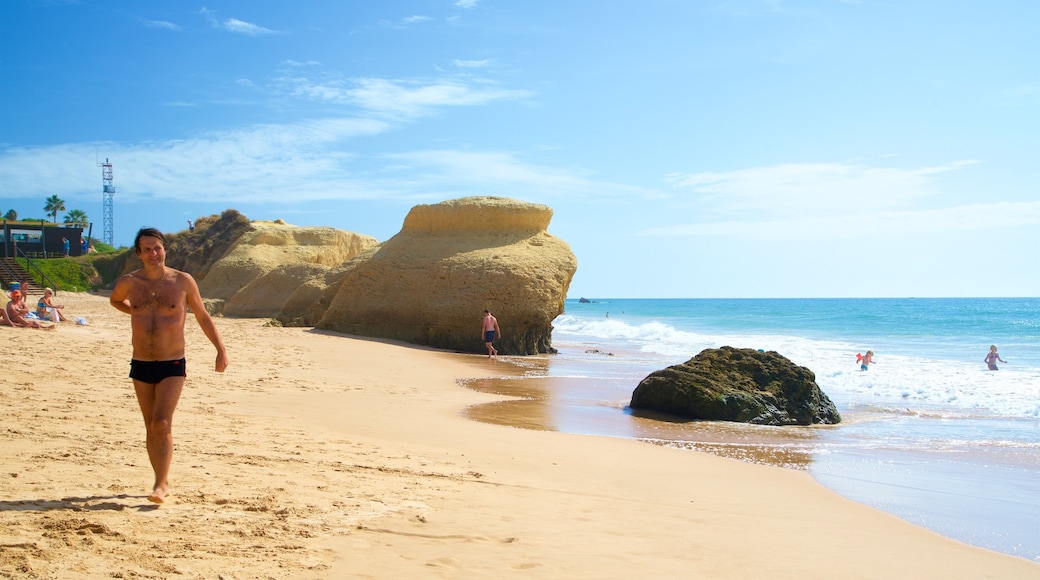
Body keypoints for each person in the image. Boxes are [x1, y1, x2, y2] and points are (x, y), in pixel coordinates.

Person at [110, 227, 229, 504]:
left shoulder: (182, 281)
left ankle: (160, 485)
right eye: (147, 249)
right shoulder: (129, 283)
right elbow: (115, 300)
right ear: (139, 254)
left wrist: (220, 349)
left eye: (157, 248)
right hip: (140, 361)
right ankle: (161, 479)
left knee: (162, 422)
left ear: (164, 249)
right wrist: (135, 311)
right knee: (151, 426)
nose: (153, 253)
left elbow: (202, 316)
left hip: (172, 362)